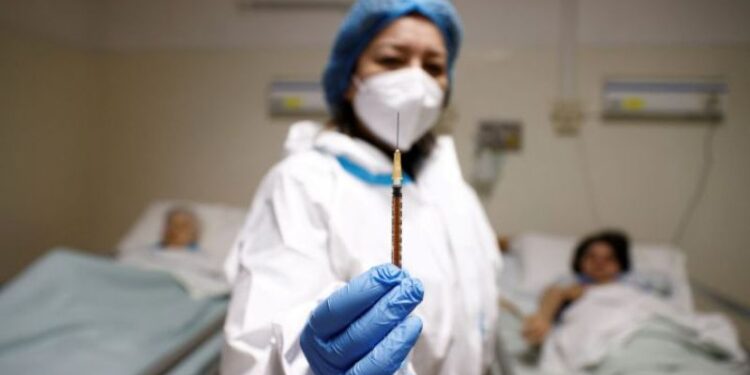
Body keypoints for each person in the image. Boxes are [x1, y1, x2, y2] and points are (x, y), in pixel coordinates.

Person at [221, 1, 501, 374]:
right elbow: (255, 347)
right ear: (350, 80)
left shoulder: (455, 192)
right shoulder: (302, 182)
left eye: (434, 66)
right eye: (390, 59)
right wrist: (313, 364)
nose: (415, 82)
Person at [522, 230, 631, 345]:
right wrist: (542, 319)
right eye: (592, 257)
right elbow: (553, 293)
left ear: (620, 264)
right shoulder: (572, 282)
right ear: (580, 261)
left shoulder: (633, 283)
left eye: (608, 258)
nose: (599, 263)